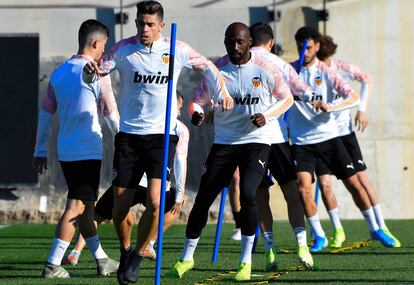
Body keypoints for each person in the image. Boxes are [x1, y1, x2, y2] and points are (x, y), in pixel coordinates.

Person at [85, 2, 233, 283]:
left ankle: (138, 255)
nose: (144, 29)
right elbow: (94, 73)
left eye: (150, 24)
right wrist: (89, 72)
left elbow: (210, 67)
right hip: (129, 136)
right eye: (140, 23)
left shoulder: (177, 49)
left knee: (155, 202)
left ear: (161, 26)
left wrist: (222, 91)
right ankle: (126, 249)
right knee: (120, 206)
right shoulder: (122, 50)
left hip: (161, 136)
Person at [167, 22, 293, 281]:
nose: (235, 47)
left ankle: (245, 262)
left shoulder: (265, 68)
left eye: (240, 42)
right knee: (203, 198)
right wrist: (198, 115)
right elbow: (196, 103)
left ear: (249, 43)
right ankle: (186, 258)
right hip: (224, 142)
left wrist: (266, 116)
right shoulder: (215, 70)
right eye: (230, 42)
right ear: (225, 42)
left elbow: (287, 98)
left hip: (257, 141)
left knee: (248, 193)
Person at [288, 26, 397, 253]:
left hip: (330, 138)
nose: (303, 51)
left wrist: (330, 105)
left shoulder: (328, 72)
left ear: (317, 47)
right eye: (300, 46)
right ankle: (319, 235)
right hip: (301, 142)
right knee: (303, 189)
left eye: (308, 47)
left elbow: (353, 96)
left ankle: (375, 228)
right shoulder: (288, 71)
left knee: (355, 184)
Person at [32, 19, 119, 278]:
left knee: (86, 209)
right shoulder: (98, 73)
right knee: (76, 206)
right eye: (104, 45)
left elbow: (46, 114)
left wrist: (40, 149)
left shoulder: (58, 74)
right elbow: (111, 112)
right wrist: (126, 143)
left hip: (67, 150)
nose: (104, 50)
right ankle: (52, 263)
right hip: (86, 151)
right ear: (95, 43)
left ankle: (102, 259)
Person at [63, 91, 190, 265]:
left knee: (96, 216)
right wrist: (180, 194)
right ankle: (146, 244)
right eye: (179, 107)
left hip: (133, 181)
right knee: (164, 208)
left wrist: (105, 106)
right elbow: (180, 161)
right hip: (148, 182)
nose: (180, 112)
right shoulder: (178, 128)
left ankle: (76, 252)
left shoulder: (136, 123)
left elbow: (115, 123)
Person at [314, 35, 400, 248]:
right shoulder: (309, 72)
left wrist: (361, 109)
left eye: (325, 59)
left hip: (344, 133)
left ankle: (381, 226)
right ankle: (338, 231)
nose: (322, 63)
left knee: (360, 180)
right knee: (325, 184)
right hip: (322, 135)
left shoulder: (342, 68)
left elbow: (366, 79)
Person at [249, 22, 314, 271]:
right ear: (271, 41)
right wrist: (298, 94)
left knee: (259, 196)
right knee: (291, 192)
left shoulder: (237, 60)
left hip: (249, 140)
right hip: (275, 138)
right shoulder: (280, 64)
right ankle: (302, 248)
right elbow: (305, 92)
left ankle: (269, 252)